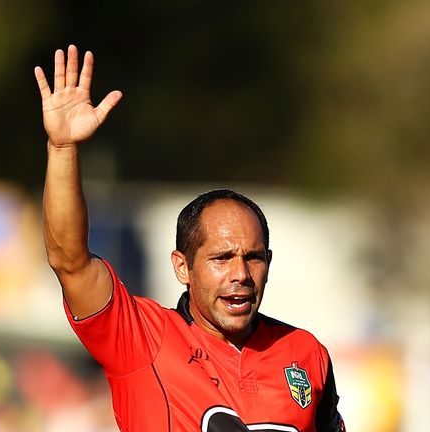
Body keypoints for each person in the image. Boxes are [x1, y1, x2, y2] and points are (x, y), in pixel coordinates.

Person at [35, 44, 345, 432]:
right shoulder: (142, 340)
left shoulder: (305, 353)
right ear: (182, 266)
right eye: (221, 258)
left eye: (254, 257)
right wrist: (62, 148)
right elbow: (70, 261)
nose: (241, 274)